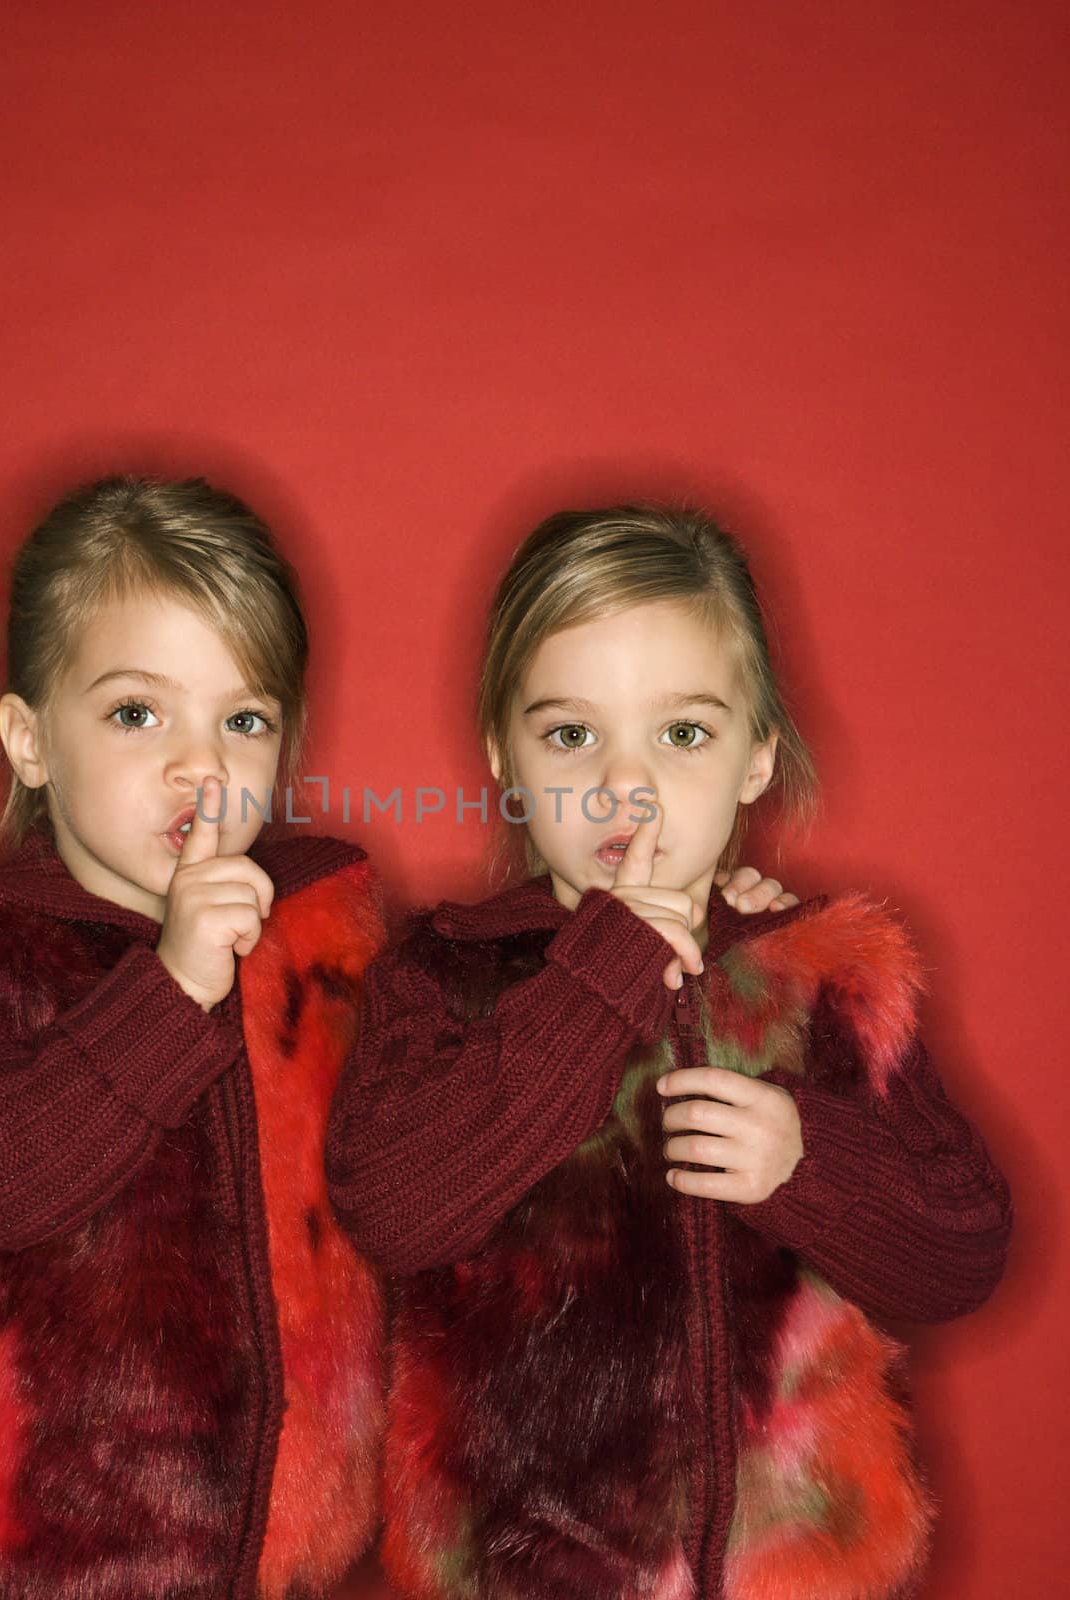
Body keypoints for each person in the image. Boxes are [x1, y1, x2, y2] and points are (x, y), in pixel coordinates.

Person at [325, 504, 1012, 1600]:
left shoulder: (818, 974)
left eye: (681, 734)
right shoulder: (446, 975)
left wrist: (808, 1162)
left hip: (797, 1572)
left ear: (754, 758)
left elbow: (964, 1249)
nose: (624, 783)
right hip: (518, 1572)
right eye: (570, 735)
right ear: (504, 754)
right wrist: (602, 972)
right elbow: (392, 1206)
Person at [0, 476, 387, 1600]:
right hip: (47, 1554)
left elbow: (437, 1155)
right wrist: (172, 983)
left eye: (242, 720)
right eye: (135, 712)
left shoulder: (328, 927)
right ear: (30, 740)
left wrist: (704, 920)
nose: (200, 765)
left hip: (307, 1558)